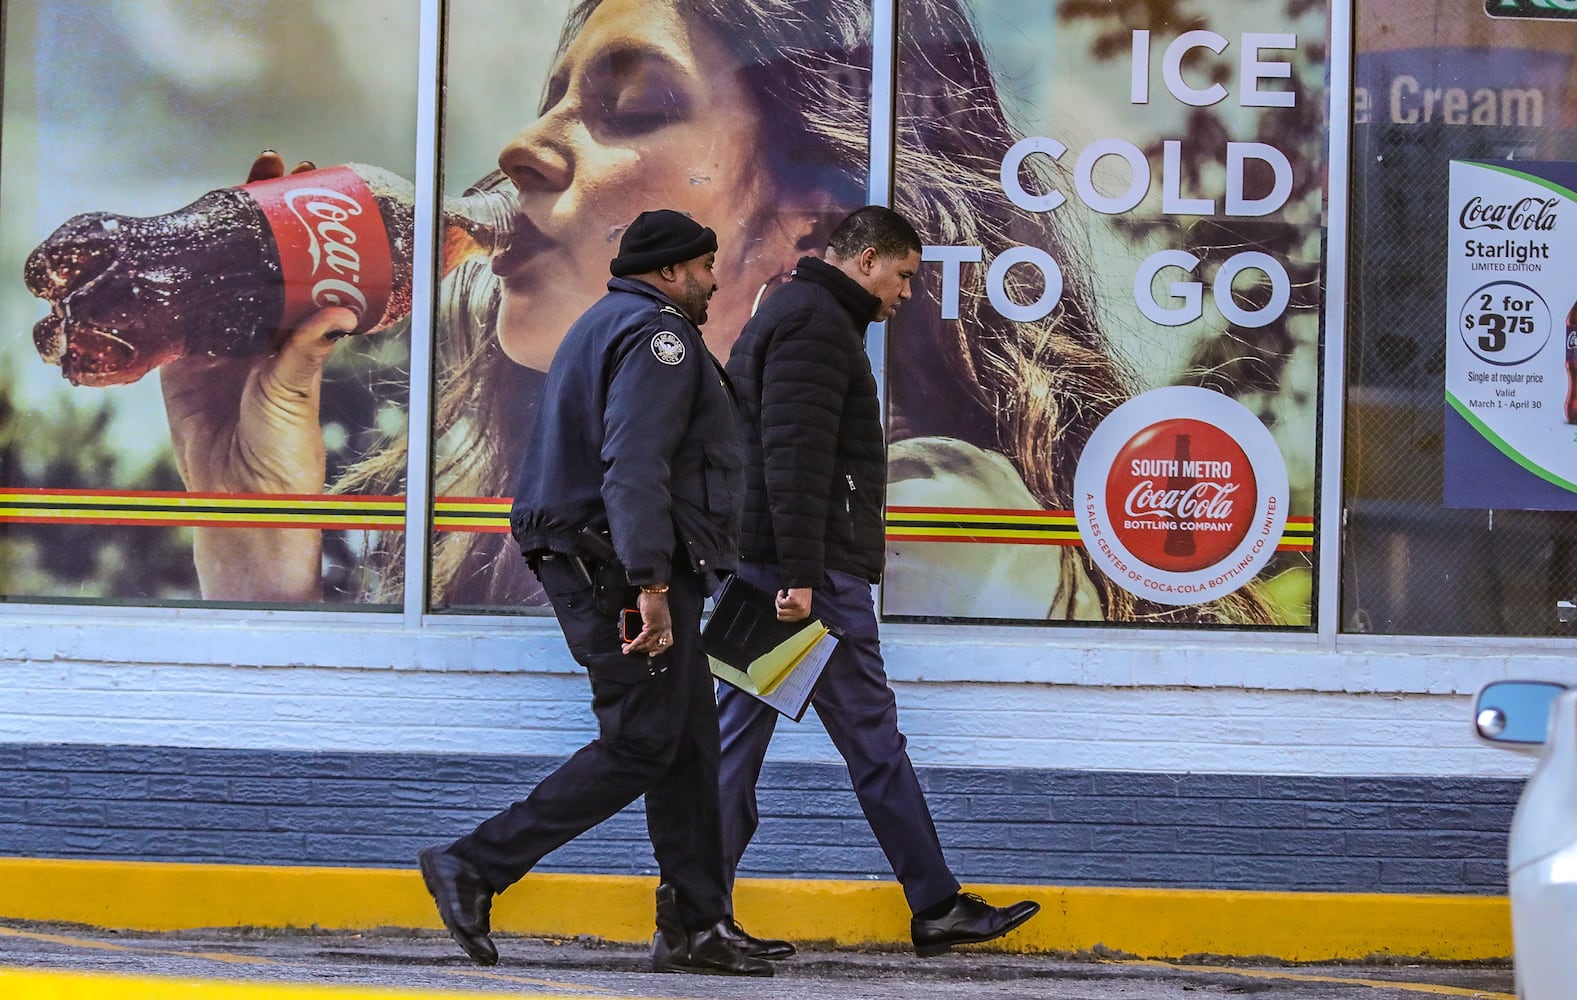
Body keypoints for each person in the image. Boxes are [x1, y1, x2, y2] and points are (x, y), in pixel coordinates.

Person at [160, 0, 1280, 613]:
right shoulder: (570, 506)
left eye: (631, 109)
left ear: (810, 227)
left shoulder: (934, 524)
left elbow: (679, 753)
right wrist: (254, 532)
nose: (516, 146)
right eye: (550, 99)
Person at [415, 209, 770, 977]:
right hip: (623, 568)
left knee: (686, 745)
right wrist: (647, 582)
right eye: (706, 267)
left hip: (617, 560)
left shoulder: (607, 322)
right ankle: (475, 863)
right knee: (643, 741)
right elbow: (633, 462)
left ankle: (698, 926)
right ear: (674, 270)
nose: (713, 282)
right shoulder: (659, 337)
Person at [713, 204, 1041, 957]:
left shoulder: (801, 313)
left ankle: (694, 910)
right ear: (865, 260)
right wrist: (798, 575)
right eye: (901, 276)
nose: (903, 294)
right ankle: (934, 905)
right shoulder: (816, 327)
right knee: (869, 739)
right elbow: (792, 458)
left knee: (737, 745)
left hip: (785, 567)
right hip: (809, 578)